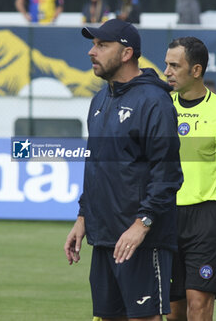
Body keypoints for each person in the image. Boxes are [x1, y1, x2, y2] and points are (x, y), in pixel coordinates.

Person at [64, 18, 183, 321]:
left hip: (141, 240)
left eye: (102, 45)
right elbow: (96, 167)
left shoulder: (154, 101)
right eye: (93, 44)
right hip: (104, 236)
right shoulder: (100, 100)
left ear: (126, 53)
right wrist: (83, 217)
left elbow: (167, 174)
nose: (92, 52)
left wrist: (142, 224)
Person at [164, 37, 216, 321]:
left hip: (206, 218)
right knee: (174, 311)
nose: (167, 72)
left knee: (199, 303)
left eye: (175, 65)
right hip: (165, 215)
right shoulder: (160, 108)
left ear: (196, 71)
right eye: (166, 65)